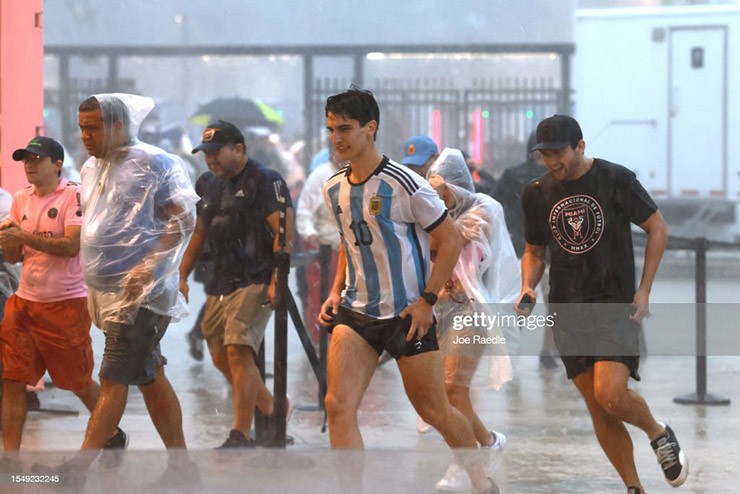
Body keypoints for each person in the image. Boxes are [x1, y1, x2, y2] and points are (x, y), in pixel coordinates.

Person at [318, 87, 498, 494]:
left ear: (371, 128)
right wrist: (333, 292)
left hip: (407, 316)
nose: (337, 138)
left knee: (436, 411)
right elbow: (351, 243)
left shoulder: (406, 183)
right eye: (331, 130)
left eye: (345, 128)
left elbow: (450, 240)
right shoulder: (334, 187)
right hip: (356, 312)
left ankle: (480, 479)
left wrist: (427, 300)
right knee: (337, 405)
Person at [517, 115, 687, 493]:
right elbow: (534, 250)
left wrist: (644, 290)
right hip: (568, 311)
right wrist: (528, 286)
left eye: (558, 153)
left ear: (580, 146)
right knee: (599, 408)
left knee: (609, 393)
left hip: (614, 304)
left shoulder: (615, 179)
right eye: (545, 155)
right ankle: (633, 487)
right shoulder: (537, 192)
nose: (552, 162)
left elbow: (657, 228)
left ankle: (658, 433)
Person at [66, 93, 198, 482]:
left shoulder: (155, 162)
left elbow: (184, 217)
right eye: (81, 128)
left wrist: (150, 264)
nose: (85, 136)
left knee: (113, 378)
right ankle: (182, 468)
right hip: (108, 295)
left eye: (93, 128)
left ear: (118, 126)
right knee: (151, 376)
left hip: (141, 296)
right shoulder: (93, 167)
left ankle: (75, 472)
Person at [0, 137, 126, 451]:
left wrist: (23, 236)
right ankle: (11, 459)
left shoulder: (74, 195)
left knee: (78, 382)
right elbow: (16, 256)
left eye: (36, 159)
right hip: (25, 302)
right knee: (12, 380)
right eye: (25, 159)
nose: (29, 165)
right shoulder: (19, 199)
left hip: (66, 304)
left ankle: (110, 432)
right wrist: (8, 241)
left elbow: (71, 247)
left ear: (57, 164)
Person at [180, 120, 293, 449]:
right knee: (219, 356)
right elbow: (199, 233)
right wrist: (182, 275)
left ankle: (240, 434)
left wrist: (277, 281)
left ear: (239, 149)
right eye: (206, 153)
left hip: (256, 276)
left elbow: (284, 234)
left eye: (216, 152)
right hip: (220, 281)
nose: (210, 159)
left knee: (238, 352)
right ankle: (272, 408)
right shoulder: (207, 183)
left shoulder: (264, 179)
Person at [424, 148, 521, 491]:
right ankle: (488, 441)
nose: (439, 197)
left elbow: (454, 236)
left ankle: (464, 464)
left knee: (454, 388)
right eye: (432, 191)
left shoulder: (484, 208)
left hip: (474, 310)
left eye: (442, 190)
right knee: (445, 394)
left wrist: (426, 216)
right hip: (441, 309)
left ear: (456, 186)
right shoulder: (434, 213)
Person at [494, 132, 560, 369]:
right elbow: (495, 205)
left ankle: (522, 352)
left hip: (531, 252)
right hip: (530, 252)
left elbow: (495, 203)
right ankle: (540, 353)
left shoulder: (516, 176)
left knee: (531, 304)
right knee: (531, 304)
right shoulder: (553, 176)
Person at [296, 143, 342, 343]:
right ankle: (323, 342)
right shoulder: (319, 177)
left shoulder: (360, 174)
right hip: (325, 251)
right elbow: (304, 211)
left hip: (351, 251)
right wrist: (310, 233)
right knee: (321, 298)